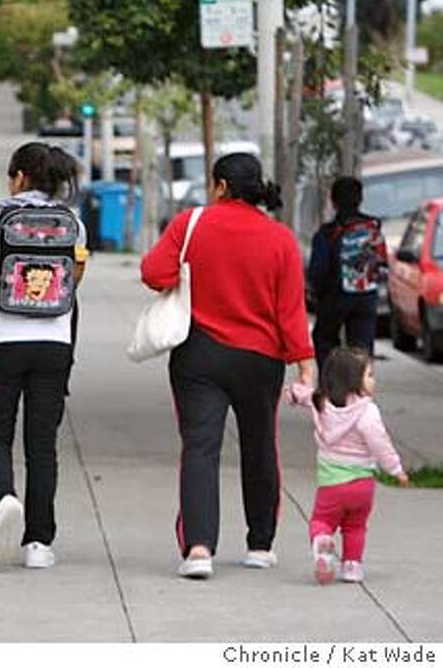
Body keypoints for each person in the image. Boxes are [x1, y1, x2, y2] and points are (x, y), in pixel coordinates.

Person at [141, 152, 315, 580]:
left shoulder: (190, 224)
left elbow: (153, 272)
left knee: (200, 448)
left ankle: (199, 548)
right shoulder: (280, 239)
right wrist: (305, 366)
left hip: (200, 356)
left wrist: (186, 276)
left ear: (220, 186)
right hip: (261, 361)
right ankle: (260, 545)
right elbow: (291, 312)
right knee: (260, 447)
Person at [0, 142, 89, 570]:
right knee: (42, 444)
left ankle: (3, 499)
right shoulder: (72, 224)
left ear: (17, 178)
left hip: (2, 340)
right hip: (54, 343)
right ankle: (38, 543)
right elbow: (73, 282)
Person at [284, 347, 408, 585]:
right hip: (362, 485)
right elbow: (380, 442)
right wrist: (396, 469)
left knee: (321, 521)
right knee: (356, 527)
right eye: (369, 375)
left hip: (331, 484)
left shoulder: (321, 402)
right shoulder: (367, 412)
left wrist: (292, 393)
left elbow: (304, 395)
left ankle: (322, 542)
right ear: (353, 381)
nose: (374, 380)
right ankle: (352, 566)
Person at [309, 177, 388, 370]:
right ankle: (360, 391)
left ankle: (330, 388)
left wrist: (317, 296)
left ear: (333, 202)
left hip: (334, 297)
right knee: (362, 349)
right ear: (360, 199)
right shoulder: (373, 228)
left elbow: (317, 272)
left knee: (324, 340)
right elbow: (382, 266)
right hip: (365, 297)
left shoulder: (327, 233)